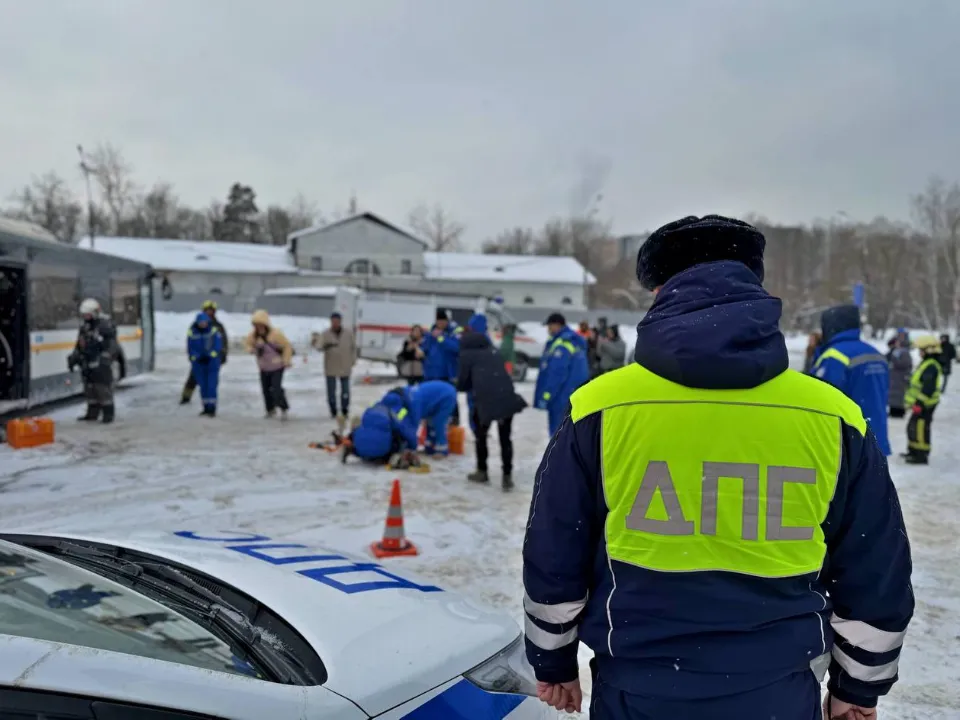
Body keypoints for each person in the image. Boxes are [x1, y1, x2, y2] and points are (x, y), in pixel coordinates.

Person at [522, 215, 913, 720]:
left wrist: (553, 661)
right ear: (756, 287)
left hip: (638, 695)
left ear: (660, 292)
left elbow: (556, 550)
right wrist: (857, 688)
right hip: (778, 696)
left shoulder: (599, 409)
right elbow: (875, 568)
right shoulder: (833, 417)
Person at [809, 305, 891, 456]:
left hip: (848, 442)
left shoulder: (833, 357)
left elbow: (820, 402)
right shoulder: (876, 354)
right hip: (876, 436)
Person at [457, 313, 527, 490]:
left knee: (481, 437)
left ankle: (482, 471)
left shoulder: (466, 355)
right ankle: (507, 477)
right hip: (506, 397)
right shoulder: (493, 350)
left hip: (484, 401)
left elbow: (463, 383)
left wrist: (463, 384)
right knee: (505, 439)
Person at [533, 313, 589, 436]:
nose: (548, 329)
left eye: (550, 326)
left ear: (557, 325)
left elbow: (556, 374)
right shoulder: (573, 340)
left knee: (557, 436)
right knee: (569, 435)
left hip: (560, 398)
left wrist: (546, 396)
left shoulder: (562, 345)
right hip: (573, 395)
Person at [68, 298, 118, 424]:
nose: (86, 316)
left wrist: (105, 358)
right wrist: (75, 357)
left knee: (102, 390)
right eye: (84, 314)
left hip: (100, 364)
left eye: (88, 314)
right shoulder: (85, 327)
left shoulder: (104, 326)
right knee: (90, 389)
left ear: (95, 312)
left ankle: (108, 414)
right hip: (87, 362)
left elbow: (112, 345)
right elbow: (79, 344)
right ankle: (92, 413)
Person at [346, 388, 419, 465]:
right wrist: (413, 446)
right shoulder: (400, 411)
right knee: (398, 437)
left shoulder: (374, 407)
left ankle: (353, 449)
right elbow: (405, 430)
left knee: (367, 430)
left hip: (360, 449)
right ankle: (393, 457)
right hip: (382, 451)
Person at [244, 310, 292, 420]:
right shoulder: (253, 335)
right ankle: (270, 409)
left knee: (276, 388)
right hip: (263, 366)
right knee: (265, 389)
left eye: (260, 324)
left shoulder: (276, 334)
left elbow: (287, 346)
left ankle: (283, 407)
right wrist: (252, 350)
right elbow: (247, 344)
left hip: (277, 366)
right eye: (256, 324)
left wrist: (286, 360)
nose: (258, 326)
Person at [902, 334, 943, 465]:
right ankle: (913, 451)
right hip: (920, 404)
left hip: (925, 405)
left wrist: (919, 403)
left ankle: (921, 456)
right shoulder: (926, 363)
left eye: (922, 350)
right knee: (912, 427)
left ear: (929, 350)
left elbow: (928, 388)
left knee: (920, 429)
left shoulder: (931, 366)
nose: (920, 352)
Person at [314, 312, 357, 429]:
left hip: (345, 365)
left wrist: (353, 361)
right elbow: (318, 346)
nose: (335, 323)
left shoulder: (348, 333)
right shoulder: (326, 334)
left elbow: (353, 348)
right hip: (331, 366)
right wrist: (322, 344)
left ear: (340, 321)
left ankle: (344, 410)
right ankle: (333, 410)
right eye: (333, 321)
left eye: (337, 321)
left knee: (345, 391)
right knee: (331, 392)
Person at [180, 300, 227, 405]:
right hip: (199, 358)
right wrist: (192, 355)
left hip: (213, 359)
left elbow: (223, 342)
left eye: (211, 311)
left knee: (211, 381)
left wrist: (222, 355)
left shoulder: (218, 326)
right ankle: (186, 397)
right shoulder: (195, 326)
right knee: (193, 378)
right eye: (207, 310)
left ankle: (210, 402)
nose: (209, 313)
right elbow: (191, 342)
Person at [420, 309, 462, 426]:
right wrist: (421, 352)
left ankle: (454, 423)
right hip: (431, 374)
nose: (440, 324)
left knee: (450, 399)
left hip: (448, 374)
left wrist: (441, 338)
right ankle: (430, 422)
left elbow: (457, 348)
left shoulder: (453, 332)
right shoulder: (430, 333)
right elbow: (425, 348)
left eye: (443, 321)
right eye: (438, 321)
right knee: (432, 399)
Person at [186, 312, 223, 417]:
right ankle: (206, 407)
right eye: (200, 322)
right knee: (203, 386)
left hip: (212, 363)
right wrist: (196, 357)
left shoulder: (213, 331)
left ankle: (212, 408)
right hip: (198, 364)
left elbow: (217, 346)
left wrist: (209, 355)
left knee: (211, 385)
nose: (202, 324)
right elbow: (190, 346)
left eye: (204, 322)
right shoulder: (192, 332)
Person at [887, 331, 913, 418]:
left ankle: (898, 412)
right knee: (894, 396)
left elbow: (904, 364)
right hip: (896, 378)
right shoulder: (897, 351)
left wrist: (894, 360)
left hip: (900, 378)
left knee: (899, 396)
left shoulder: (904, 352)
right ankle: (894, 411)